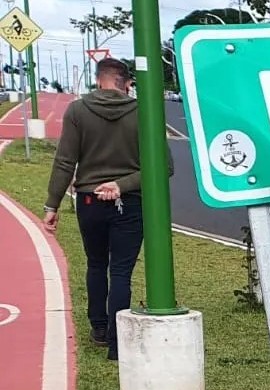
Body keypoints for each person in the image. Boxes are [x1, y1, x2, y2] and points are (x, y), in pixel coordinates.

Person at [42, 58, 175, 361]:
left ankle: (99, 328)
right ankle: (118, 344)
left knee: (96, 263)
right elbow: (164, 166)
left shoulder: (77, 110)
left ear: (99, 79)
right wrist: (123, 184)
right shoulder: (144, 111)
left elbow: (65, 162)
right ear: (126, 82)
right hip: (129, 202)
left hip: (89, 201)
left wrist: (52, 204)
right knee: (121, 271)